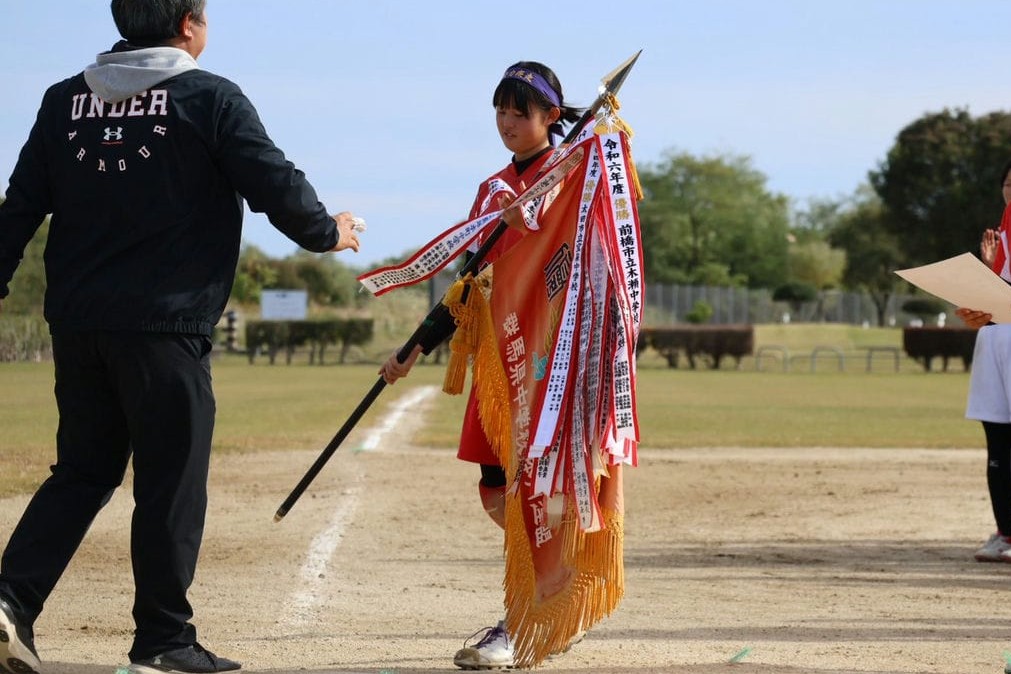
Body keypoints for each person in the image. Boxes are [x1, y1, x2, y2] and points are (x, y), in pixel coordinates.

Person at [0, 1, 361, 673]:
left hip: (78, 325)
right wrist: (325, 231)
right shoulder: (207, 97)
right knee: (169, 481)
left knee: (82, 470)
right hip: (165, 326)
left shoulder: (61, 102)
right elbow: (273, 182)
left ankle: (9, 602)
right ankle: (163, 642)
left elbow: (19, 205)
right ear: (189, 25)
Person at [381, 61, 590, 671]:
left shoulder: (574, 174)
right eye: (500, 111)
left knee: (534, 489)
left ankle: (526, 616)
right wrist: (416, 343)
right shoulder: (495, 188)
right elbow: (470, 276)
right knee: (497, 493)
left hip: (549, 363)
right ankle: (555, 586)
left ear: (552, 117)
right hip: (500, 361)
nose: (507, 123)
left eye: (520, 112)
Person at [955, 158, 1011, 563]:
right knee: (998, 446)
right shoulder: (1003, 237)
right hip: (994, 343)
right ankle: (1004, 533)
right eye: (1008, 183)